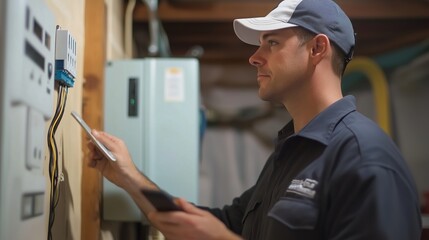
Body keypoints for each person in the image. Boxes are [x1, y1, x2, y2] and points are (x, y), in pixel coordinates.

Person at [88, 0, 422, 239]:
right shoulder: (291, 154)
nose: (253, 57)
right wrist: (128, 176)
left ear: (317, 49)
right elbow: (223, 223)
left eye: (272, 43)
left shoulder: (365, 161)